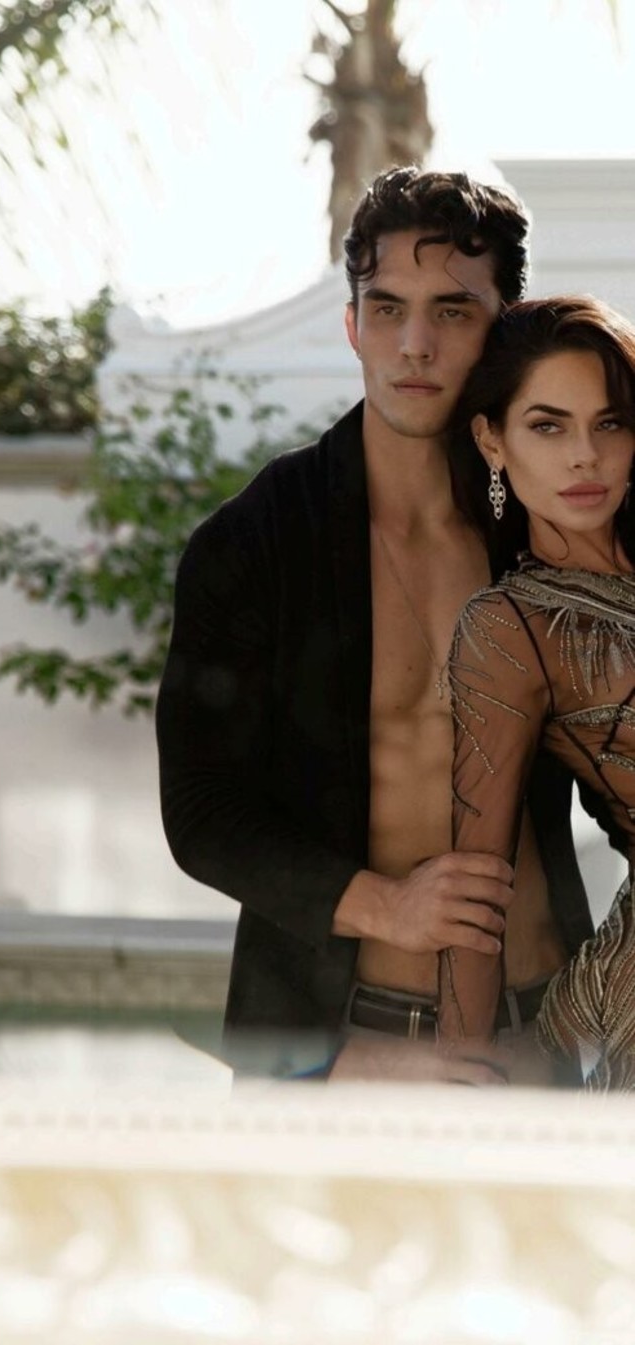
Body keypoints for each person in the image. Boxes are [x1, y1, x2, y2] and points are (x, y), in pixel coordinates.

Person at [156, 166, 599, 1083]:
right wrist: (385, 908)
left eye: (452, 311)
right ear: (353, 323)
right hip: (352, 1058)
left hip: (544, 1044)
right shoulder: (259, 540)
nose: (415, 345)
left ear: (503, 327)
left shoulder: (543, 533)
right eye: (388, 308)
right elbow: (202, 812)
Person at [442, 296, 635, 1089]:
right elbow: (477, 877)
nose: (585, 456)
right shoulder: (510, 631)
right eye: (548, 427)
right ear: (493, 439)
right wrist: (462, 1068)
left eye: (610, 423)